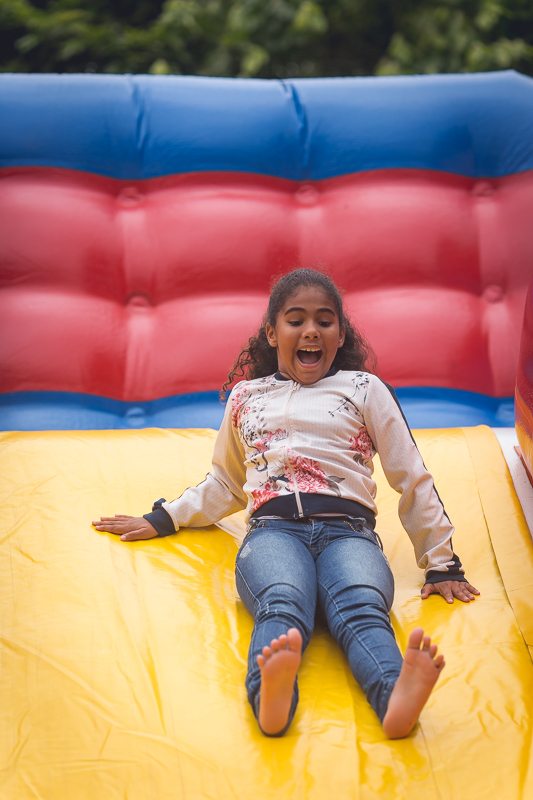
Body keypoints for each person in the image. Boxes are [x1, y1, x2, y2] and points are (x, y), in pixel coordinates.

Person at [93, 268, 479, 739]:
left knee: (361, 607)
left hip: (348, 532)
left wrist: (442, 564)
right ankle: (271, 699)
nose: (311, 330)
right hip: (274, 533)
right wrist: (164, 517)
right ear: (273, 334)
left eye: (325, 320)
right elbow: (226, 483)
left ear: (340, 334)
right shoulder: (247, 398)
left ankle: (395, 696)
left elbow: (410, 475)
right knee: (281, 604)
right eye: (296, 321)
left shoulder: (364, 389)